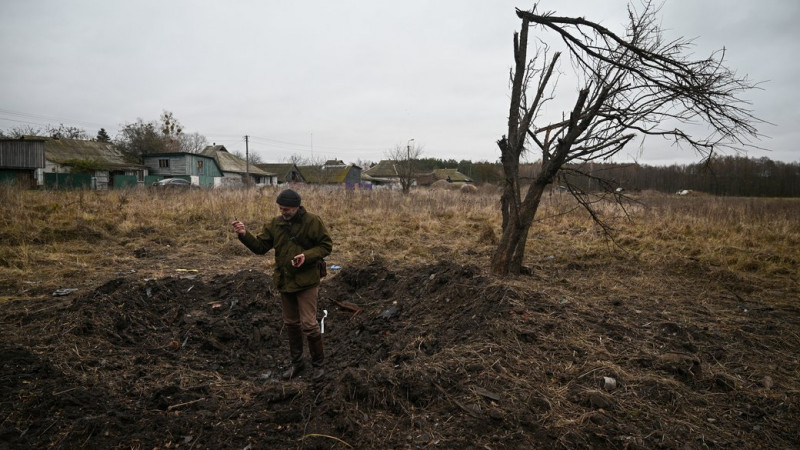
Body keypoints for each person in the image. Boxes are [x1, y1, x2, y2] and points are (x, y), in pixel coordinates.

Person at [231, 189, 333, 381]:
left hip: (307, 281)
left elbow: (326, 246)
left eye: (286, 209)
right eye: (281, 208)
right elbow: (260, 248)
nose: (283, 212)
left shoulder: (312, 221)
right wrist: (244, 234)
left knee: (309, 325)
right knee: (291, 324)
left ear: (296, 207)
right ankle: (298, 364)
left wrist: (307, 256)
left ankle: (319, 366)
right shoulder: (274, 224)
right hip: (285, 281)